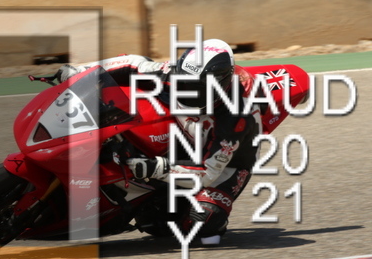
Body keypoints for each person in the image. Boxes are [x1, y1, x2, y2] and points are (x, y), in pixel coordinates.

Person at [55, 39, 262, 246]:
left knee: (201, 220)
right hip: (187, 137)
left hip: (227, 164)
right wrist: (81, 72)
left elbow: (208, 173)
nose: (186, 90)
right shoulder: (175, 72)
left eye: (196, 88)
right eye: (183, 83)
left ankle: (200, 213)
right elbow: (131, 63)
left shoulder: (236, 117)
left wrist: (157, 169)